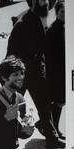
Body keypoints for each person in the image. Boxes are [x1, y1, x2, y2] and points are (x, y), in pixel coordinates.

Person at [7, 0, 65, 149]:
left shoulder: (36, 19)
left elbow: (42, 48)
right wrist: (13, 76)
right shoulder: (21, 24)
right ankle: (11, 139)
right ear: (31, 3)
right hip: (21, 76)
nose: (45, 3)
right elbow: (11, 53)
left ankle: (52, 139)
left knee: (44, 107)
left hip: (36, 74)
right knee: (12, 107)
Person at [46, 0, 65, 139]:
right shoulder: (52, 30)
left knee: (60, 102)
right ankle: (53, 130)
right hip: (56, 72)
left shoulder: (67, 27)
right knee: (57, 102)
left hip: (64, 70)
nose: (64, 15)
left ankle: (54, 129)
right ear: (56, 13)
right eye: (62, 12)